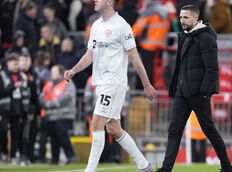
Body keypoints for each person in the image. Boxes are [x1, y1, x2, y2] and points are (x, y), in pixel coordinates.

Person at [64, 0, 157, 171]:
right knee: (113, 128)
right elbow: (90, 54)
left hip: (114, 82)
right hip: (100, 82)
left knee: (97, 122)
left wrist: (146, 84)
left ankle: (89, 170)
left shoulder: (122, 26)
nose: (95, 1)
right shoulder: (96, 25)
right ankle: (144, 165)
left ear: (109, 2)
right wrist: (74, 70)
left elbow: (135, 57)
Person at [156, 5, 232, 172]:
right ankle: (166, 169)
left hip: (198, 94)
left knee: (209, 131)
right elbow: (181, 65)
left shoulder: (206, 37)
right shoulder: (184, 36)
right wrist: (177, 87)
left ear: (195, 19)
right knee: (174, 131)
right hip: (182, 93)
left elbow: (212, 68)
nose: (181, 20)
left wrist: (204, 92)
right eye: (180, 17)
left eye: (185, 17)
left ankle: (227, 167)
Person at [39, 65, 77, 164]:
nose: (52, 74)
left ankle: (71, 156)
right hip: (51, 116)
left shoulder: (67, 82)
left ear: (60, 73)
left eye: (54, 71)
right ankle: (54, 159)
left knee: (62, 135)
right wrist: (46, 104)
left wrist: (52, 103)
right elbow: (41, 96)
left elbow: (68, 96)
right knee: (53, 137)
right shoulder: (48, 84)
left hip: (64, 115)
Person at [132, 0, 170, 88]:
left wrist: (128, 38)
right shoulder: (164, 11)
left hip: (148, 46)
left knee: (145, 71)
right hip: (160, 46)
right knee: (157, 72)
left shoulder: (149, 11)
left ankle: (145, 93)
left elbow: (137, 28)